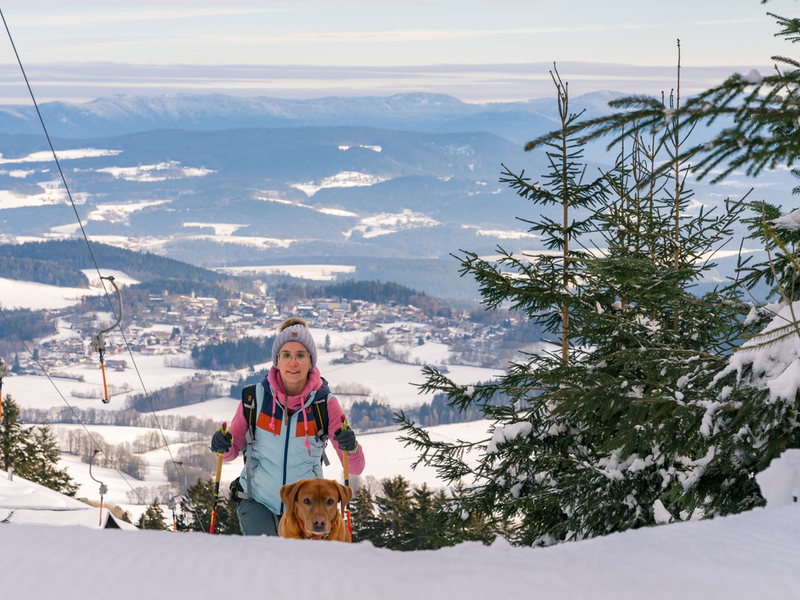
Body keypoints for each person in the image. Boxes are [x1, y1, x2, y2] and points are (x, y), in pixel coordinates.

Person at [210, 316, 365, 536]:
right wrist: (222, 445)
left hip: (307, 509)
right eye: (286, 355)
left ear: (311, 362)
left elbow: (355, 468)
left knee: (301, 567)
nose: (293, 362)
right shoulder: (254, 399)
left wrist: (351, 446)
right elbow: (228, 454)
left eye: (300, 355)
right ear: (277, 361)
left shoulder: (325, 404)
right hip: (257, 502)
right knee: (267, 559)